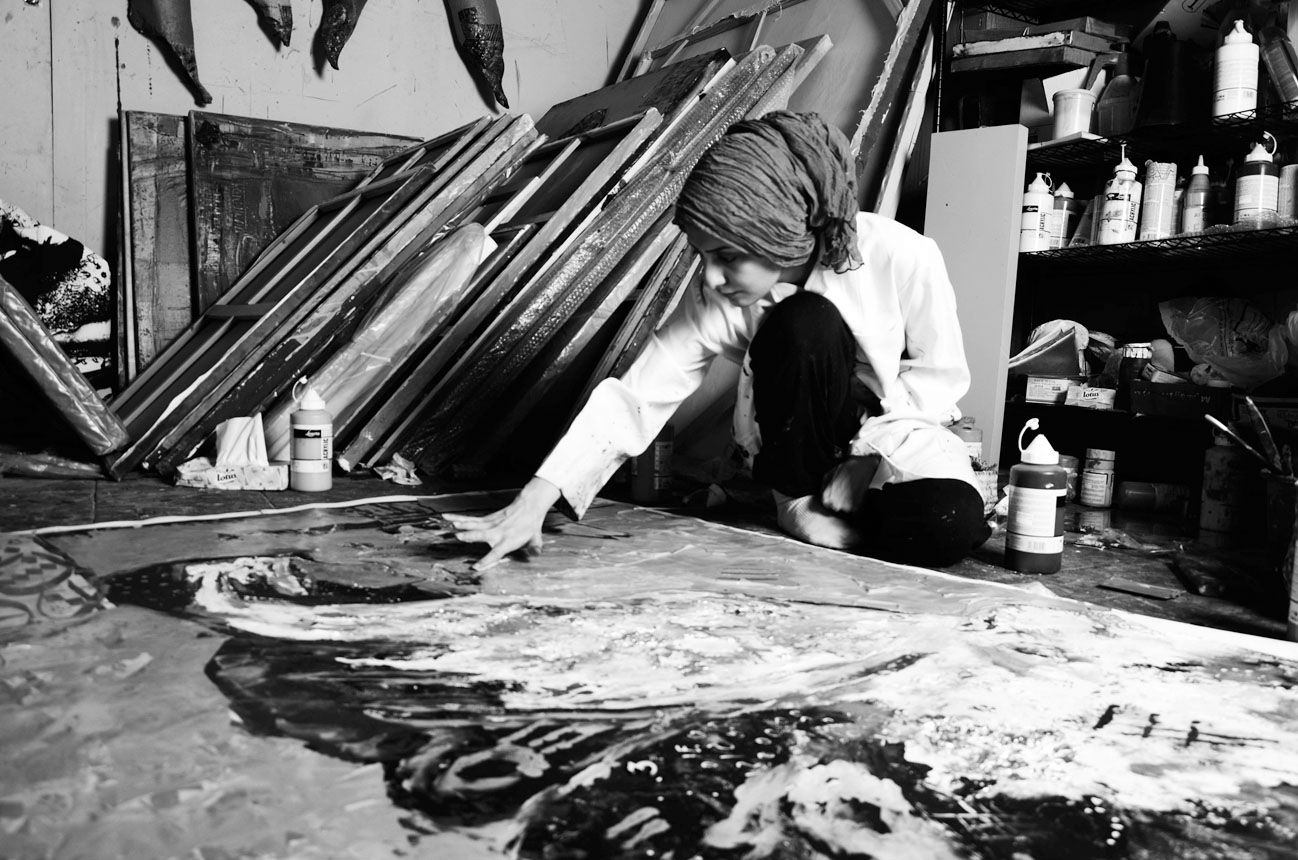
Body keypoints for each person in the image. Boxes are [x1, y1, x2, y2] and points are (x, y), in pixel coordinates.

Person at [445, 111, 989, 570]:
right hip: (797, 458)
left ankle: (851, 513)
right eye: (703, 255)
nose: (710, 277)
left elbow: (939, 381)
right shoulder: (719, 298)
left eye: (727, 257)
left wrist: (864, 459)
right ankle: (797, 505)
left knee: (949, 522)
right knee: (804, 322)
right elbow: (638, 395)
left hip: (894, 437)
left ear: (779, 233)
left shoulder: (903, 255)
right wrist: (535, 499)